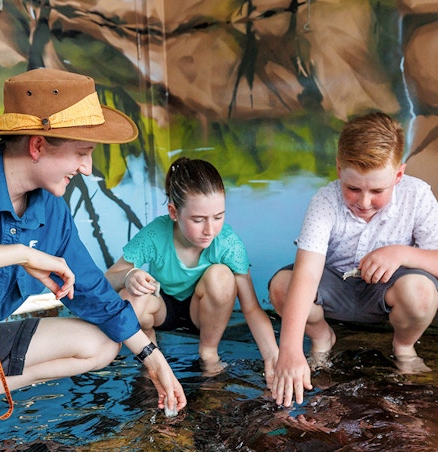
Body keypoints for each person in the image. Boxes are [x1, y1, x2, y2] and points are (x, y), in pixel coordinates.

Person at [0, 68, 186, 452]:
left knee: (101, 344)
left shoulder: (52, 211)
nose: (87, 168)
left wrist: (154, 360)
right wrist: (22, 255)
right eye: (82, 153)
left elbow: (97, 297)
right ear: (38, 146)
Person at [269, 111, 438, 408]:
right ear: (338, 170)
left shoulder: (418, 196)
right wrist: (290, 348)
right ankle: (323, 337)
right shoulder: (325, 201)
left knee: (422, 293)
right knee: (283, 285)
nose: (364, 201)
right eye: (353, 188)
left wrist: (402, 253)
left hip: (387, 292)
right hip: (335, 288)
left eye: (377, 190)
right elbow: (307, 275)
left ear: (398, 175)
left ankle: (404, 346)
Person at [105, 157, 279, 383]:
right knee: (130, 295)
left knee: (222, 275)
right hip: (162, 308)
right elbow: (108, 279)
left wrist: (273, 355)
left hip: (203, 313)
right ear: (174, 212)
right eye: (198, 219)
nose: (210, 230)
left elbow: (252, 308)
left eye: (218, 217)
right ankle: (150, 355)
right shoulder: (156, 233)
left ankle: (208, 353)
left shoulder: (227, 243)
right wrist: (128, 276)